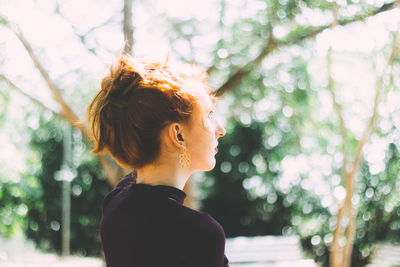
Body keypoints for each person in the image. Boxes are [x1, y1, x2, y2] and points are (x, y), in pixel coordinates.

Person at [86, 54, 229, 267]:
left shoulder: (115, 203)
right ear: (178, 135)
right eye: (208, 115)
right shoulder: (199, 234)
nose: (221, 130)